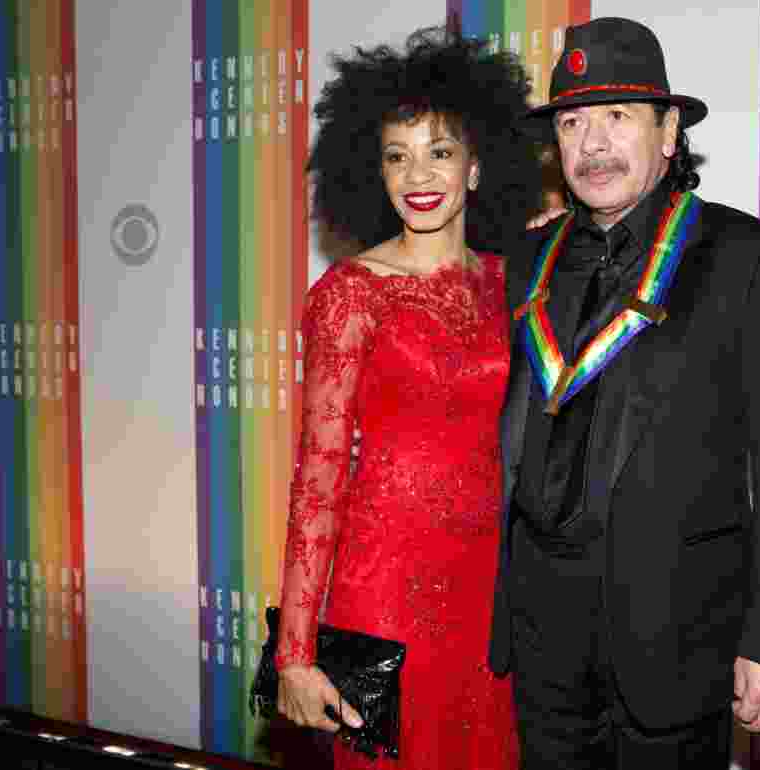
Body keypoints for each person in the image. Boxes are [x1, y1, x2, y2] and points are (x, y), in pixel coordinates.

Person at [491, 17, 760, 769]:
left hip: (676, 639)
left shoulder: (751, 260)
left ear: (668, 131)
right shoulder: (527, 263)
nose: (593, 144)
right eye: (573, 122)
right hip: (542, 638)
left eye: (618, 117)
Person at [273, 27, 542, 770]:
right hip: (382, 590)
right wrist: (295, 652)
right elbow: (318, 481)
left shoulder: (511, 282)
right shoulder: (349, 296)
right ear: (375, 170)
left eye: (440, 151)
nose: (417, 174)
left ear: (479, 166)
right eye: (397, 154)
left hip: (491, 598)